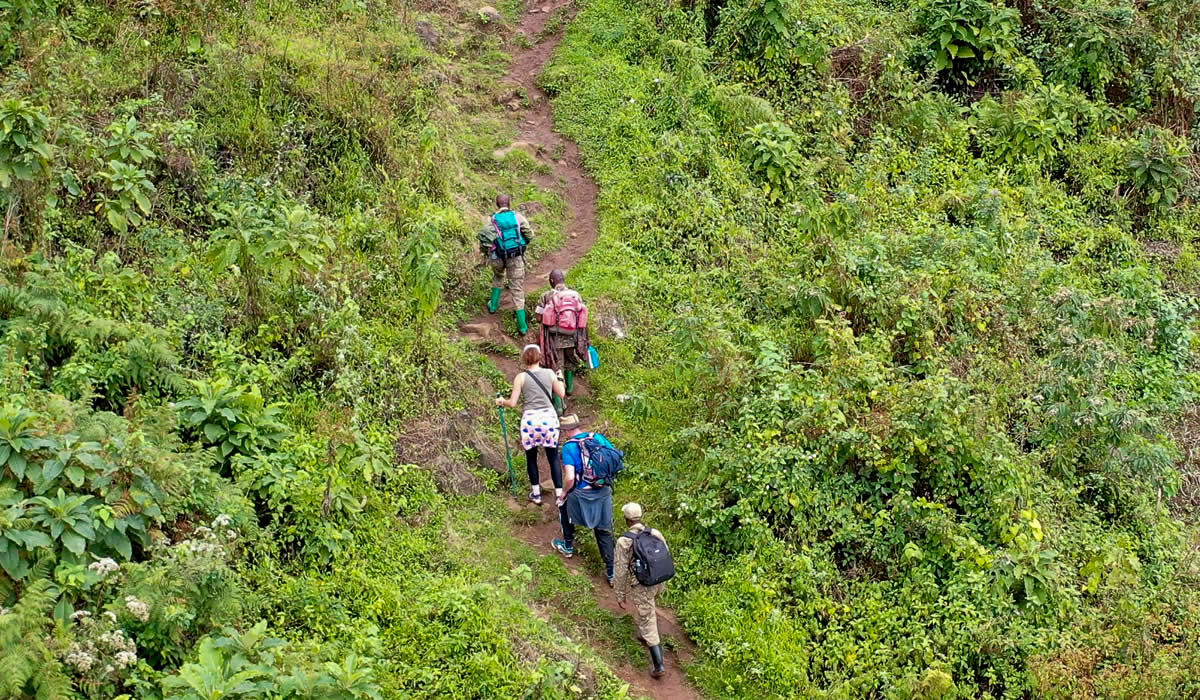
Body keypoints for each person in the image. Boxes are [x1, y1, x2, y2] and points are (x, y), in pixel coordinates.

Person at [496, 344, 564, 505]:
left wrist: (501, 401)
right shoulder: (549, 373)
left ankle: (536, 494)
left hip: (530, 421)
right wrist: (559, 378)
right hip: (549, 418)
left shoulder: (521, 377)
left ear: (525, 358)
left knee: (531, 458)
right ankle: (560, 495)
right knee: (553, 457)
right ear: (539, 357)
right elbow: (561, 394)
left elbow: (512, 403)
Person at [551, 427, 616, 584]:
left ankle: (567, 546)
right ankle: (612, 573)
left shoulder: (569, 447)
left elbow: (570, 478)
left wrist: (563, 494)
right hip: (603, 492)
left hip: (582, 495)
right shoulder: (599, 438)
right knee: (604, 531)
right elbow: (613, 459)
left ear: (566, 431)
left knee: (563, 505)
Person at [614, 502, 668, 679]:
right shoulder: (654, 533)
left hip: (642, 584)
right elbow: (665, 554)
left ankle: (658, 665)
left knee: (648, 619)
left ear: (627, 519)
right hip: (659, 580)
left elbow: (620, 570)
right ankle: (645, 634)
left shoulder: (624, 541)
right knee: (647, 610)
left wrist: (620, 595)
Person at [479, 194, 534, 334]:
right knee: (517, 289)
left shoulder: (491, 220)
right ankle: (522, 326)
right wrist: (521, 245)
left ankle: (493, 306)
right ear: (510, 203)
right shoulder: (518, 217)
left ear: (497, 205)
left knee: (498, 277)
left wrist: (488, 253)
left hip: (497, 256)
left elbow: (485, 239)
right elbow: (529, 234)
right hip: (515, 256)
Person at [535, 269, 588, 395]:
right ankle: (569, 388)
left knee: (556, 366)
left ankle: (559, 404)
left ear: (552, 281)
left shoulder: (546, 295)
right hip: (573, 336)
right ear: (563, 279)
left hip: (554, 337)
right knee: (570, 360)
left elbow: (538, 317)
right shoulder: (575, 295)